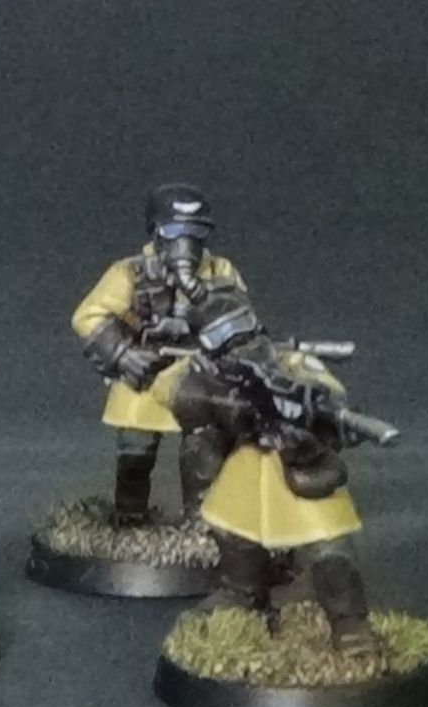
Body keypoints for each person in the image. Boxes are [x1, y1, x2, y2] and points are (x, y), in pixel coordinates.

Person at [158, 290, 378, 655]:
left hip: (297, 463)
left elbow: (329, 393)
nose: (238, 341)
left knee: (328, 547)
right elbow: (168, 390)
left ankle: (350, 624)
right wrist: (223, 402)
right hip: (245, 464)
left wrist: (303, 405)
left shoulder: (291, 362)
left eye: (242, 327)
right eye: (222, 334)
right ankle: (243, 594)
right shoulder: (204, 369)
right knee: (234, 534)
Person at [70, 183, 246, 525]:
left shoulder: (220, 272)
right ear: (156, 232)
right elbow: (88, 316)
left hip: (200, 378)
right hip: (146, 378)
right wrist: (122, 354)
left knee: (204, 453)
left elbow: (240, 315)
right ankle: (129, 516)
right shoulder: (130, 273)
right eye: (175, 232)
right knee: (135, 453)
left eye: (196, 233)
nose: (186, 242)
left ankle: (201, 522)